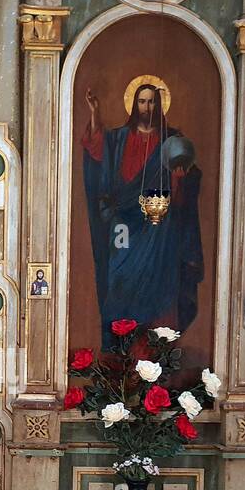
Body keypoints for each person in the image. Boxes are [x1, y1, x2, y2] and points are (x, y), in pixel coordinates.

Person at [80, 79, 203, 345]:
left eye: (151, 102)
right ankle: (123, 350)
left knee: (160, 284)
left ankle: (158, 351)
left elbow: (188, 175)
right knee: (120, 279)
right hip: (123, 224)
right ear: (135, 105)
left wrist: (181, 178)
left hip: (159, 228)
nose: (146, 107)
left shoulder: (171, 140)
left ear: (158, 105)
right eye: (142, 101)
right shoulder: (119, 138)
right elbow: (97, 149)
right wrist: (94, 113)